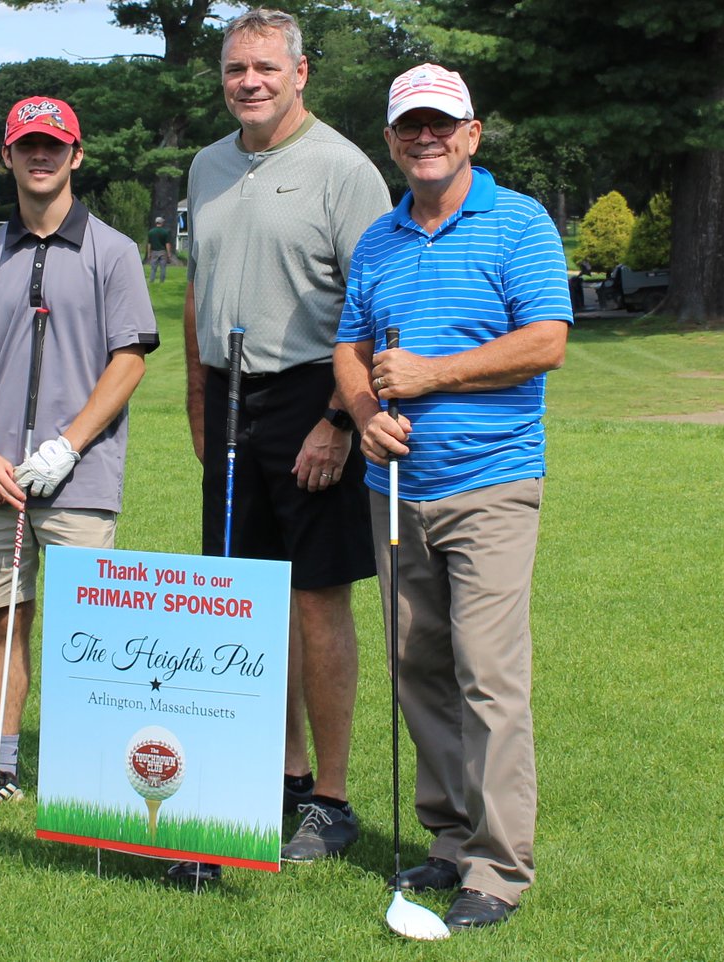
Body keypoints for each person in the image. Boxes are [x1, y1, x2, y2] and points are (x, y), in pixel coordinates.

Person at [334, 63, 572, 930]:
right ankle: (448, 838)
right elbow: (351, 347)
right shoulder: (380, 240)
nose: (425, 138)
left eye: (442, 124)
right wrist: (362, 412)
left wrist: (433, 376)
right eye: (410, 127)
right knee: (417, 670)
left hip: (491, 485)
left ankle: (499, 870)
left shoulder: (519, 223)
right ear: (392, 141)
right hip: (393, 486)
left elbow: (547, 340)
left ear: (472, 134)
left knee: (487, 675)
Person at [177, 8, 390, 881]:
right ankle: (282, 778)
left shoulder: (342, 168)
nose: (249, 81)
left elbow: (376, 306)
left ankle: (330, 802)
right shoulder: (206, 165)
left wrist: (341, 419)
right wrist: (196, 400)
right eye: (235, 69)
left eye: (266, 67)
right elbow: (198, 288)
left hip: (315, 392)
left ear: (301, 74)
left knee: (316, 599)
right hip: (228, 397)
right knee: (246, 600)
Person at [0, 96, 159, 816]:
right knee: (6, 617)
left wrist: (69, 444)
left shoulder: (114, 251)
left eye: (53, 146)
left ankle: (86, 764)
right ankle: (0, 763)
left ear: (76, 155)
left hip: (81, 476)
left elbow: (129, 360)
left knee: (87, 629)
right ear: (8, 156)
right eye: (27, 145)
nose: (41, 157)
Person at [146, 216, 175, 283]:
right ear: (161, 223)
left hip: (154, 252)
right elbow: (167, 244)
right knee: (163, 268)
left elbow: (149, 244)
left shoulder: (151, 232)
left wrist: (149, 253)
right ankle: (162, 281)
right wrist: (169, 254)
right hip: (162, 252)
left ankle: (152, 280)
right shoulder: (165, 232)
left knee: (153, 268)